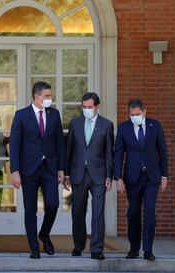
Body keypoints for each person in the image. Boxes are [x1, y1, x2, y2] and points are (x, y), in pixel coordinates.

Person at [10, 81, 65, 259]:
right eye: (47, 96)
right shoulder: (21, 115)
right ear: (37, 96)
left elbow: (59, 143)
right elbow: (15, 144)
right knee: (30, 208)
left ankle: (44, 234)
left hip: (49, 168)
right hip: (28, 170)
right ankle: (34, 247)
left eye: (50, 95)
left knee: (53, 204)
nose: (50, 99)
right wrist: (15, 171)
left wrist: (61, 169)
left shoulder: (54, 114)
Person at [114, 98, 168, 261]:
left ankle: (148, 249)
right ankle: (134, 248)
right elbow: (118, 154)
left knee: (150, 211)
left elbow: (162, 151)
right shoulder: (124, 128)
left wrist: (164, 175)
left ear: (144, 112)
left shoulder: (155, 126)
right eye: (132, 114)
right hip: (132, 177)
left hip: (152, 176)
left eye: (137, 114)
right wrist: (118, 177)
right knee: (133, 212)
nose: (134, 117)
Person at [64, 92, 114, 260]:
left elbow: (109, 153)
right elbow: (69, 150)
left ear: (97, 107)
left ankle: (97, 249)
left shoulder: (107, 125)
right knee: (77, 211)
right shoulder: (75, 123)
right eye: (84, 107)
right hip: (78, 174)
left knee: (98, 212)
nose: (86, 110)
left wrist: (109, 176)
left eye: (89, 107)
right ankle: (78, 246)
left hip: (99, 175)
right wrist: (67, 174)